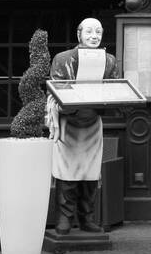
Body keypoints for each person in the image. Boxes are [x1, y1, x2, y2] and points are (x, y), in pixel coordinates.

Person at [48, 17, 120, 234]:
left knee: (90, 174)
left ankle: (87, 218)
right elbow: (57, 89)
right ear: (78, 34)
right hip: (69, 123)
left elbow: (114, 88)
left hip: (92, 123)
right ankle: (64, 218)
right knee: (67, 173)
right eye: (89, 31)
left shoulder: (109, 61)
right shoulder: (63, 58)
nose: (94, 36)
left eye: (98, 32)